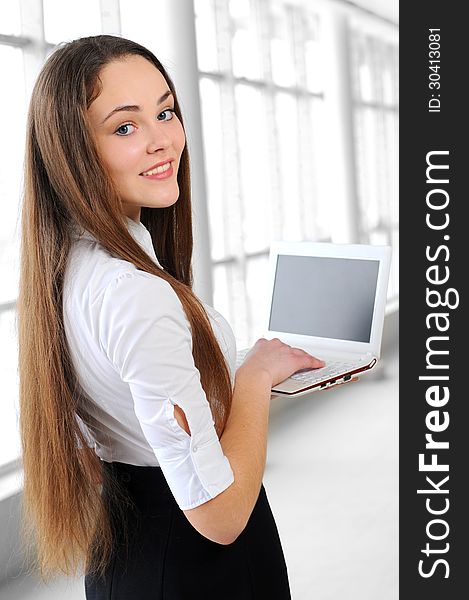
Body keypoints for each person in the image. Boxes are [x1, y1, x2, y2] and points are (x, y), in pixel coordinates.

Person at [17, 34, 325, 599]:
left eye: (166, 112)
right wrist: (255, 377)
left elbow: (96, 443)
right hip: (197, 567)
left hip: (125, 550)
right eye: (125, 127)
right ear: (73, 152)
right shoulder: (135, 292)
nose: (164, 141)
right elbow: (221, 516)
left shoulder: (66, 269)